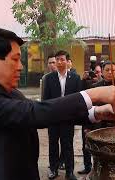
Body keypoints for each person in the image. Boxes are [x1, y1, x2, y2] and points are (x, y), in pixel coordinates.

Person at [0, 27, 115, 180]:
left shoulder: (7, 91)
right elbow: (33, 113)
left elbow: (47, 113)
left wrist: (96, 112)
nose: (21, 66)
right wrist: (92, 94)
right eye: (15, 59)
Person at [43, 50, 81, 180]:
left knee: (68, 145)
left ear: (67, 61)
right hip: (53, 118)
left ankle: (69, 172)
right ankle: (53, 169)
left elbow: (78, 99)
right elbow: (45, 100)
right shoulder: (49, 78)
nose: (59, 62)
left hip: (68, 118)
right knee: (53, 144)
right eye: (57, 59)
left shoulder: (75, 78)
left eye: (62, 59)